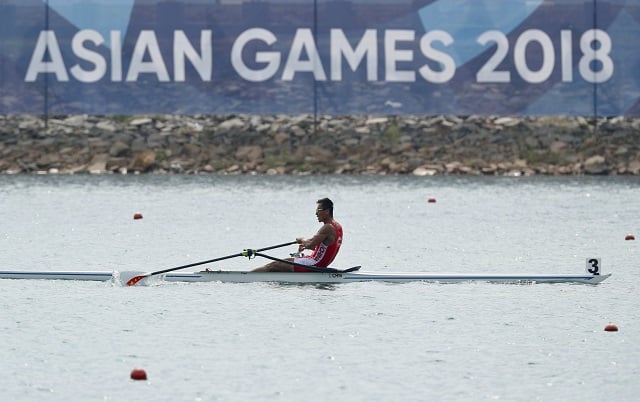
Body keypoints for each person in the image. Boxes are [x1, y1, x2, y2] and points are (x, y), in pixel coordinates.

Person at [252, 198, 343, 272]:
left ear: (327, 211)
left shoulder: (328, 227)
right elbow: (325, 249)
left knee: (273, 265)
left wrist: (302, 239)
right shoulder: (337, 226)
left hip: (313, 264)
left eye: (318, 210)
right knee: (281, 264)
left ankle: (247, 277)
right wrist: (306, 246)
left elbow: (310, 243)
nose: (316, 213)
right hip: (316, 262)